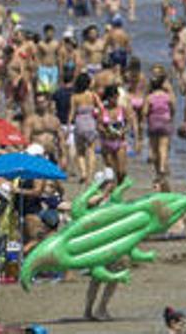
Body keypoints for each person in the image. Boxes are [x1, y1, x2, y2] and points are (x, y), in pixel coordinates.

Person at [83, 168, 120, 321]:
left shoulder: (112, 198)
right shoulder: (96, 197)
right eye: (110, 182)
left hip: (107, 242)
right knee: (103, 278)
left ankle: (96, 309)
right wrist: (104, 194)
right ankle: (97, 309)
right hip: (100, 243)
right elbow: (88, 203)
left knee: (101, 278)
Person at [144, 75, 176, 191]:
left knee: (154, 148)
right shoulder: (167, 97)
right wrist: (170, 117)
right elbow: (173, 109)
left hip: (153, 123)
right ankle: (162, 168)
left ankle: (158, 171)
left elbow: (145, 111)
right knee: (163, 147)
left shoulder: (149, 97)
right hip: (165, 122)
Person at [69, 73, 98, 184]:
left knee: (80, 152)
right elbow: (99, 107)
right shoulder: (92, 95)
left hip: (79, 123)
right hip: (91, 123)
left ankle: (83, 173)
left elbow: (72, 113)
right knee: (91, 151)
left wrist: (68, 126)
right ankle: (90, 177)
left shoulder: (75, 97)